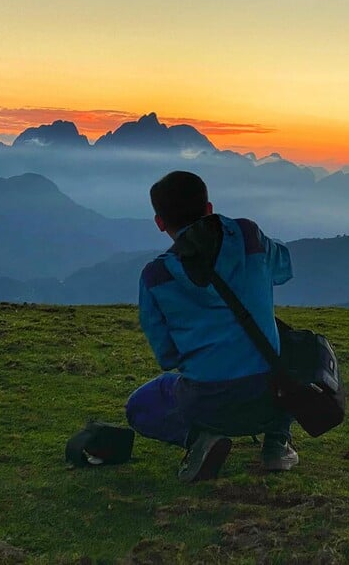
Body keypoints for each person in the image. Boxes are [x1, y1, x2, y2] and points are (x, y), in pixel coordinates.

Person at [125, 170, 297, 482]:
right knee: (300, 348)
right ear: (209, 208)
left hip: (204, 403)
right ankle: (277, 442)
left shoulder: (155, 277)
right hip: (272, 395)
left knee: (138, 406)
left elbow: (168, 358)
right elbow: (284, 268)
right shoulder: (248, 236)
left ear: (160, 223)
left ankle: (200, 439)